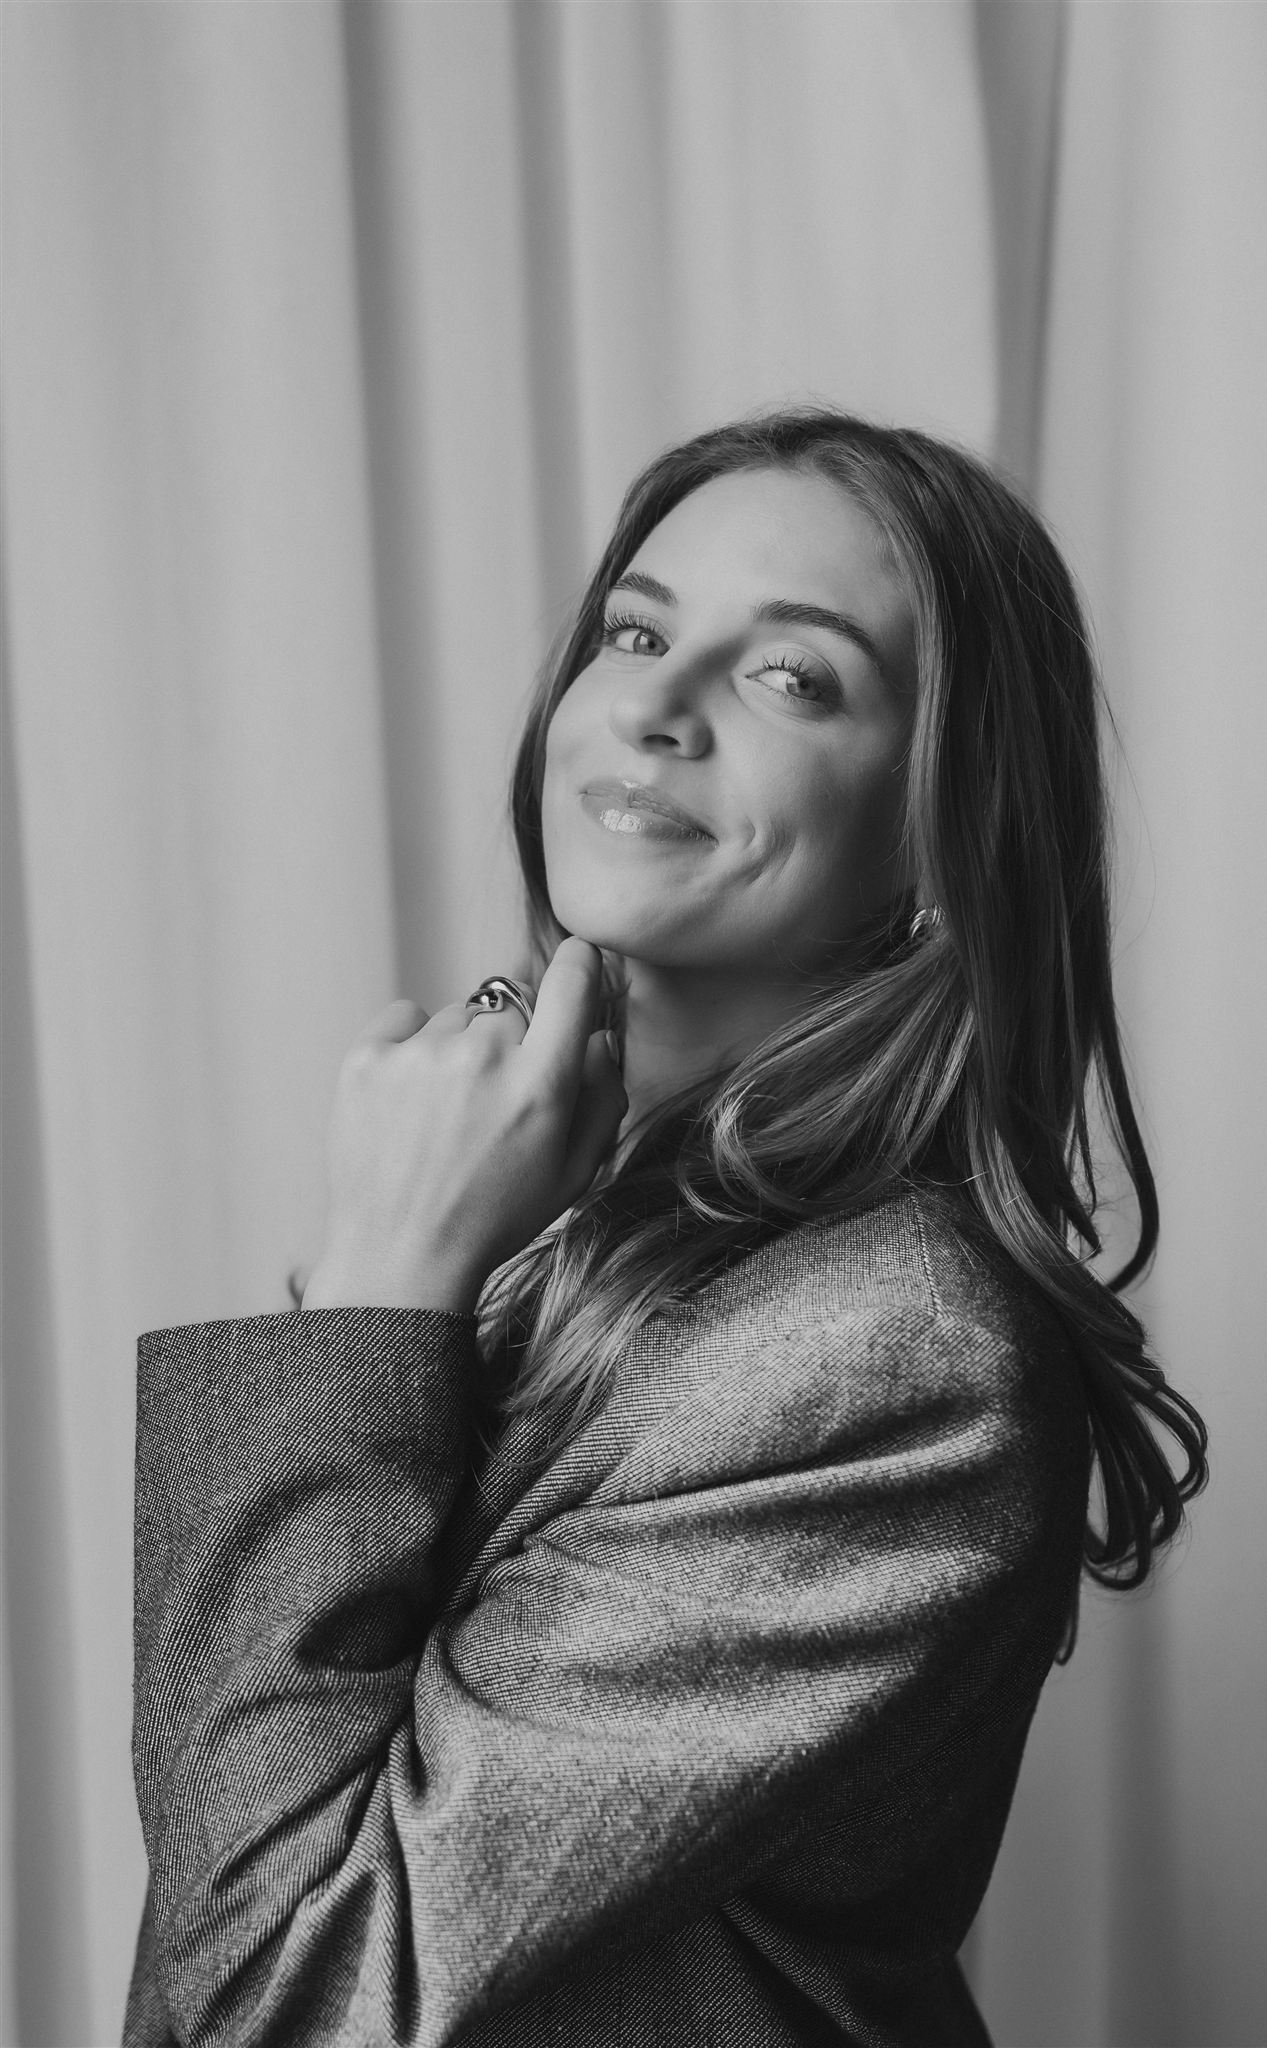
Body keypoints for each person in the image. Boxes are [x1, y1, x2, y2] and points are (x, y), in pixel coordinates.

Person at [124, 410, 1207, 2047]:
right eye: (635, 633)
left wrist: (375, 1288)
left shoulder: (888, 1352)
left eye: (791, 676)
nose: (654, 704)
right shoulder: (545, 1210)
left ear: (936, 835)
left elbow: (291, 1985)